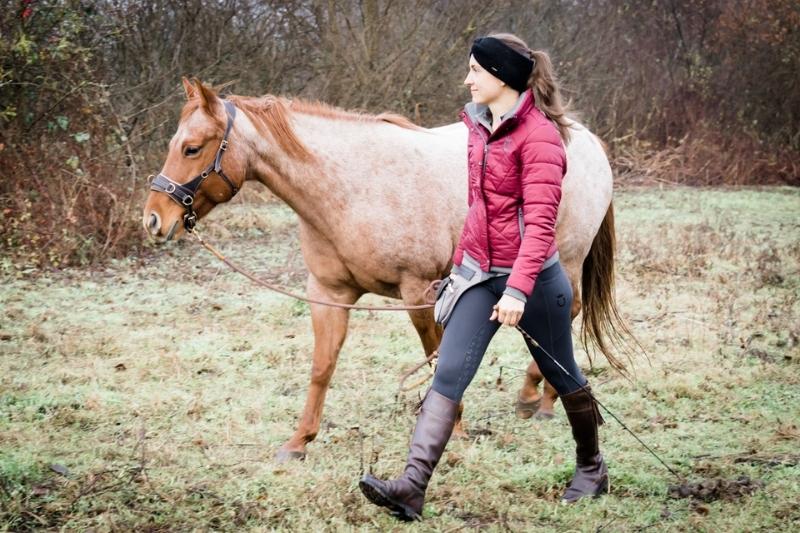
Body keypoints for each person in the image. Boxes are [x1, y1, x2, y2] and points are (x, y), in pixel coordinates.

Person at [358, 33, 609, 521]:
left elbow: (540, 226)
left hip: (533, 281)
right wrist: (459, 269)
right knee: (448, 372)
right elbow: (482, 208)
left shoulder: (540, 140)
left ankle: (592, 466)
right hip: (478, 275)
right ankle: (410, 487)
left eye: (475, 70)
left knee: (563, 374)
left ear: (502, 77)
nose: (467, 79)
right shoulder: (479, 127)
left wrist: (517, 288)